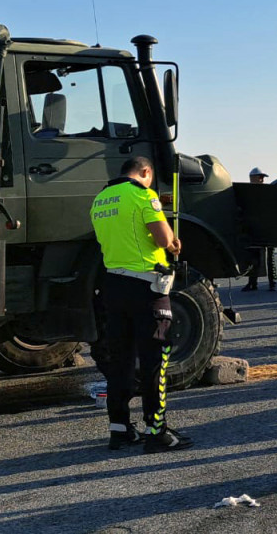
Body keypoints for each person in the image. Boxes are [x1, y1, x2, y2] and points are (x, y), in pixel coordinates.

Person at [90, 156, 191, 453]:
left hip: (113, 285)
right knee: (154, 361)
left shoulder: (100, 199)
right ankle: (156, 431)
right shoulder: (143, 195)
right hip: (146, 287)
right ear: (146, 172)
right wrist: (173, 243)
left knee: (119, 360)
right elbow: (162, 238)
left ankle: (120, 429)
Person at [242, 167, 277, 291]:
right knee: (253, 257)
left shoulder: (268, 192)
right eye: (260, 177)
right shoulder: (246, 193)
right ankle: (252, 283)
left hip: (268, 229)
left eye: (263, 177)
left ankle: (273, 283)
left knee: (270, 258)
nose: (262, 180)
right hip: (254, 229)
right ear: (252, 178)